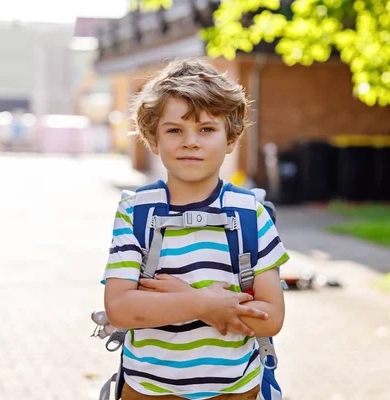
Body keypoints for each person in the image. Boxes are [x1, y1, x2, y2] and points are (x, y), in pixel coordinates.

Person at [102, 58, 289, 400]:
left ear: (231, 139)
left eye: (206, 129)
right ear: (153, 139)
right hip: (147, 391)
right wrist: (204, 304)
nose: (191, 142)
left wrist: (180, 301)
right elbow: (120, 309)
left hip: (235, 391)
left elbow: (271, 317)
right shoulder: (135, 212)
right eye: (175, 130)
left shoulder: (251, 214)